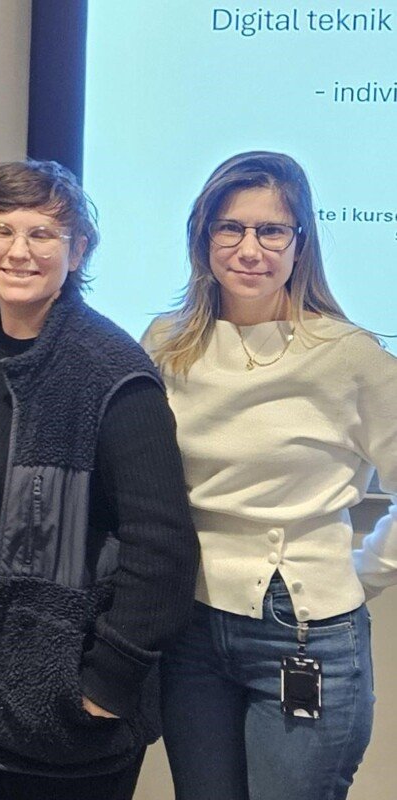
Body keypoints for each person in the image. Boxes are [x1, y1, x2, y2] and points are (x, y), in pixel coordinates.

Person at [0, 160, 199, 799]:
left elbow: (163, 549)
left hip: (46, 709)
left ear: (78, 249)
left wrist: (107, 684)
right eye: (0, 230)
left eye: (43, 234)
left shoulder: (109, 371)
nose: (18, 251)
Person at [145, 151, 396, 800]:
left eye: (271, 231)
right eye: (230, 228)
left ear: (299, 243)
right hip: (192, 626)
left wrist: (365, 572)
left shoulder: (348, 355)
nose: (249, 248)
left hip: (305, 636)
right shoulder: (166, 344)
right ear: (203, 238)